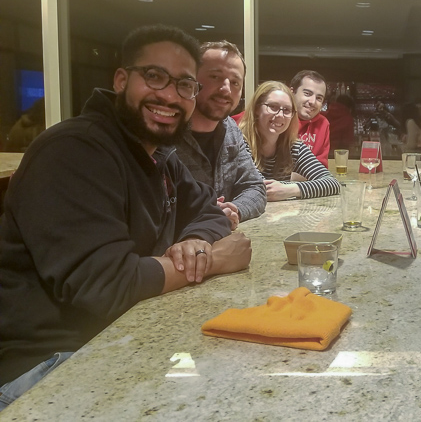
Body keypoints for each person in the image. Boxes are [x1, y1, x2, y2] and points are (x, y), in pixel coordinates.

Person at [0, 25, 252, 410]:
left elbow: (207, 210)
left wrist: (196, 241)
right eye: (154, 76)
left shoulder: (159, 153)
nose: (169, 95)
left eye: (184, 84)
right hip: (46, 368)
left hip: (121, 341)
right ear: (121, 80)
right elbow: (107, 285)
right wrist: (214, 260)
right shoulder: (73, 151)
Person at [175, 41, 266, 230]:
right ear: (191, 79)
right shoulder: (164, 130)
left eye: (235, 82)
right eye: (215, 76)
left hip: (221, 241)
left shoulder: (230, 129)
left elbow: (255, 187)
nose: (226, 89)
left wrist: (234, 211)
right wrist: (207, 214)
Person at [240, 81, 340, 201]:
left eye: (287, 110)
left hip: (280, 216)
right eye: (273, 107)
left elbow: (332, 183)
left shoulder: (293, 147)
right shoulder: (240, 143)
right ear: (257, 108)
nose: (280, 115)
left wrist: (289, 190)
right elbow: (259, 187)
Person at [290, 70, 330, 167]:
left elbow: (321, 169)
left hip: (307, 182)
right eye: (307, 93)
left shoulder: (323, 124)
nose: (313, 101)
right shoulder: (278, 118)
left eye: (319, 98)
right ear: (291, 92)